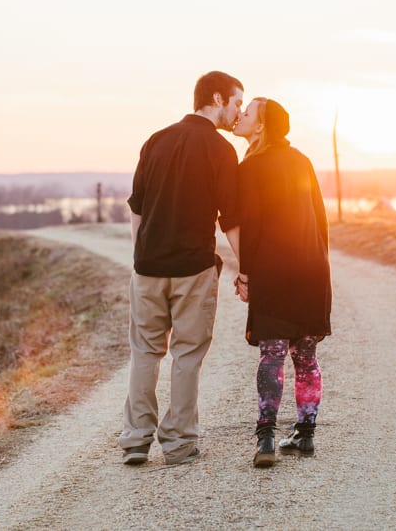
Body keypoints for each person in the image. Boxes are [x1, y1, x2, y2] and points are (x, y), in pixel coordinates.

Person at [119, 71, 244, 465]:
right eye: (238, 102)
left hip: (148, 268)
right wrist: (247, 268)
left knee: (145, 352)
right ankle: (178, 443)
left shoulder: (155, 140)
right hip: (193, 268)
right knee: (187, 354)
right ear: (219, 97)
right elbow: (232, 219)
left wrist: (140, 257)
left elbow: (137, 208)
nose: (238, 112)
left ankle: (137, 439)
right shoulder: (221, 150)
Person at [232, 97, 332, 467]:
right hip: (312, 269)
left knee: (272, 354)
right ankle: (305, 436)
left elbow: (251, 225)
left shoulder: (252, 166)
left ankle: (267, 439)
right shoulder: (302, 160)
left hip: (274, 271)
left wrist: (245, 274)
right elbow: (321, 221)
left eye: (248, 113)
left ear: (261, 127)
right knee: (306, 357)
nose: (240, 116)